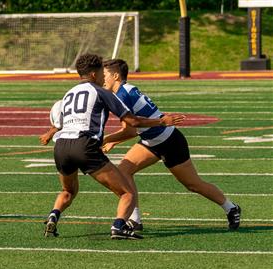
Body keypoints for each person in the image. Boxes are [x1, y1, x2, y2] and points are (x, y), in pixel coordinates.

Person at [42, 53, 184, 239]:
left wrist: (50, 132)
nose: (104, 75)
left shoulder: (69, 93)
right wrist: (161, 121)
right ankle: (119, 226)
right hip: (84, 145)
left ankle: (54, 215)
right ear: (94, 74)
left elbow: (59, 121)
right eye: (102, 71)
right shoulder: (102, 92)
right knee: (127, 192)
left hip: (60, 147)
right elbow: (132, 122)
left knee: (68, 190)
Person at [101, 58, 241, 231]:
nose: (102, 78)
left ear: (115, 76)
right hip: (151, 141)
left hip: (169, 141)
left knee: (193, 184)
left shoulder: (123, 95)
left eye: (105, 74)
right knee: (123, 172)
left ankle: (231, 207)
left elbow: (131, 129)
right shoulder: (124, 91)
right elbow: (136, 126)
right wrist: (115, 141)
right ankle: (134, 219)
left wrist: (107, 139)